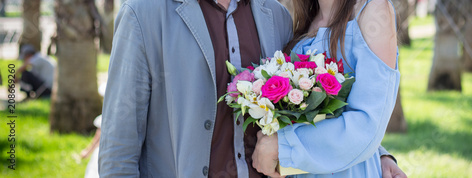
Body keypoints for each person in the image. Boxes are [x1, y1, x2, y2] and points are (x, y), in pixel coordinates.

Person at [98, 0, 405, 177]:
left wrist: (378, 155)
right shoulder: (144, 13)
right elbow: (118, 150)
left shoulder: (276, 16)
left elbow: (354, 109)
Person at [251, 0, 406, 177]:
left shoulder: (374, 9)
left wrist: (284, 147)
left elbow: (368, 124)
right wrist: (380, 153)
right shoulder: (304, 19)